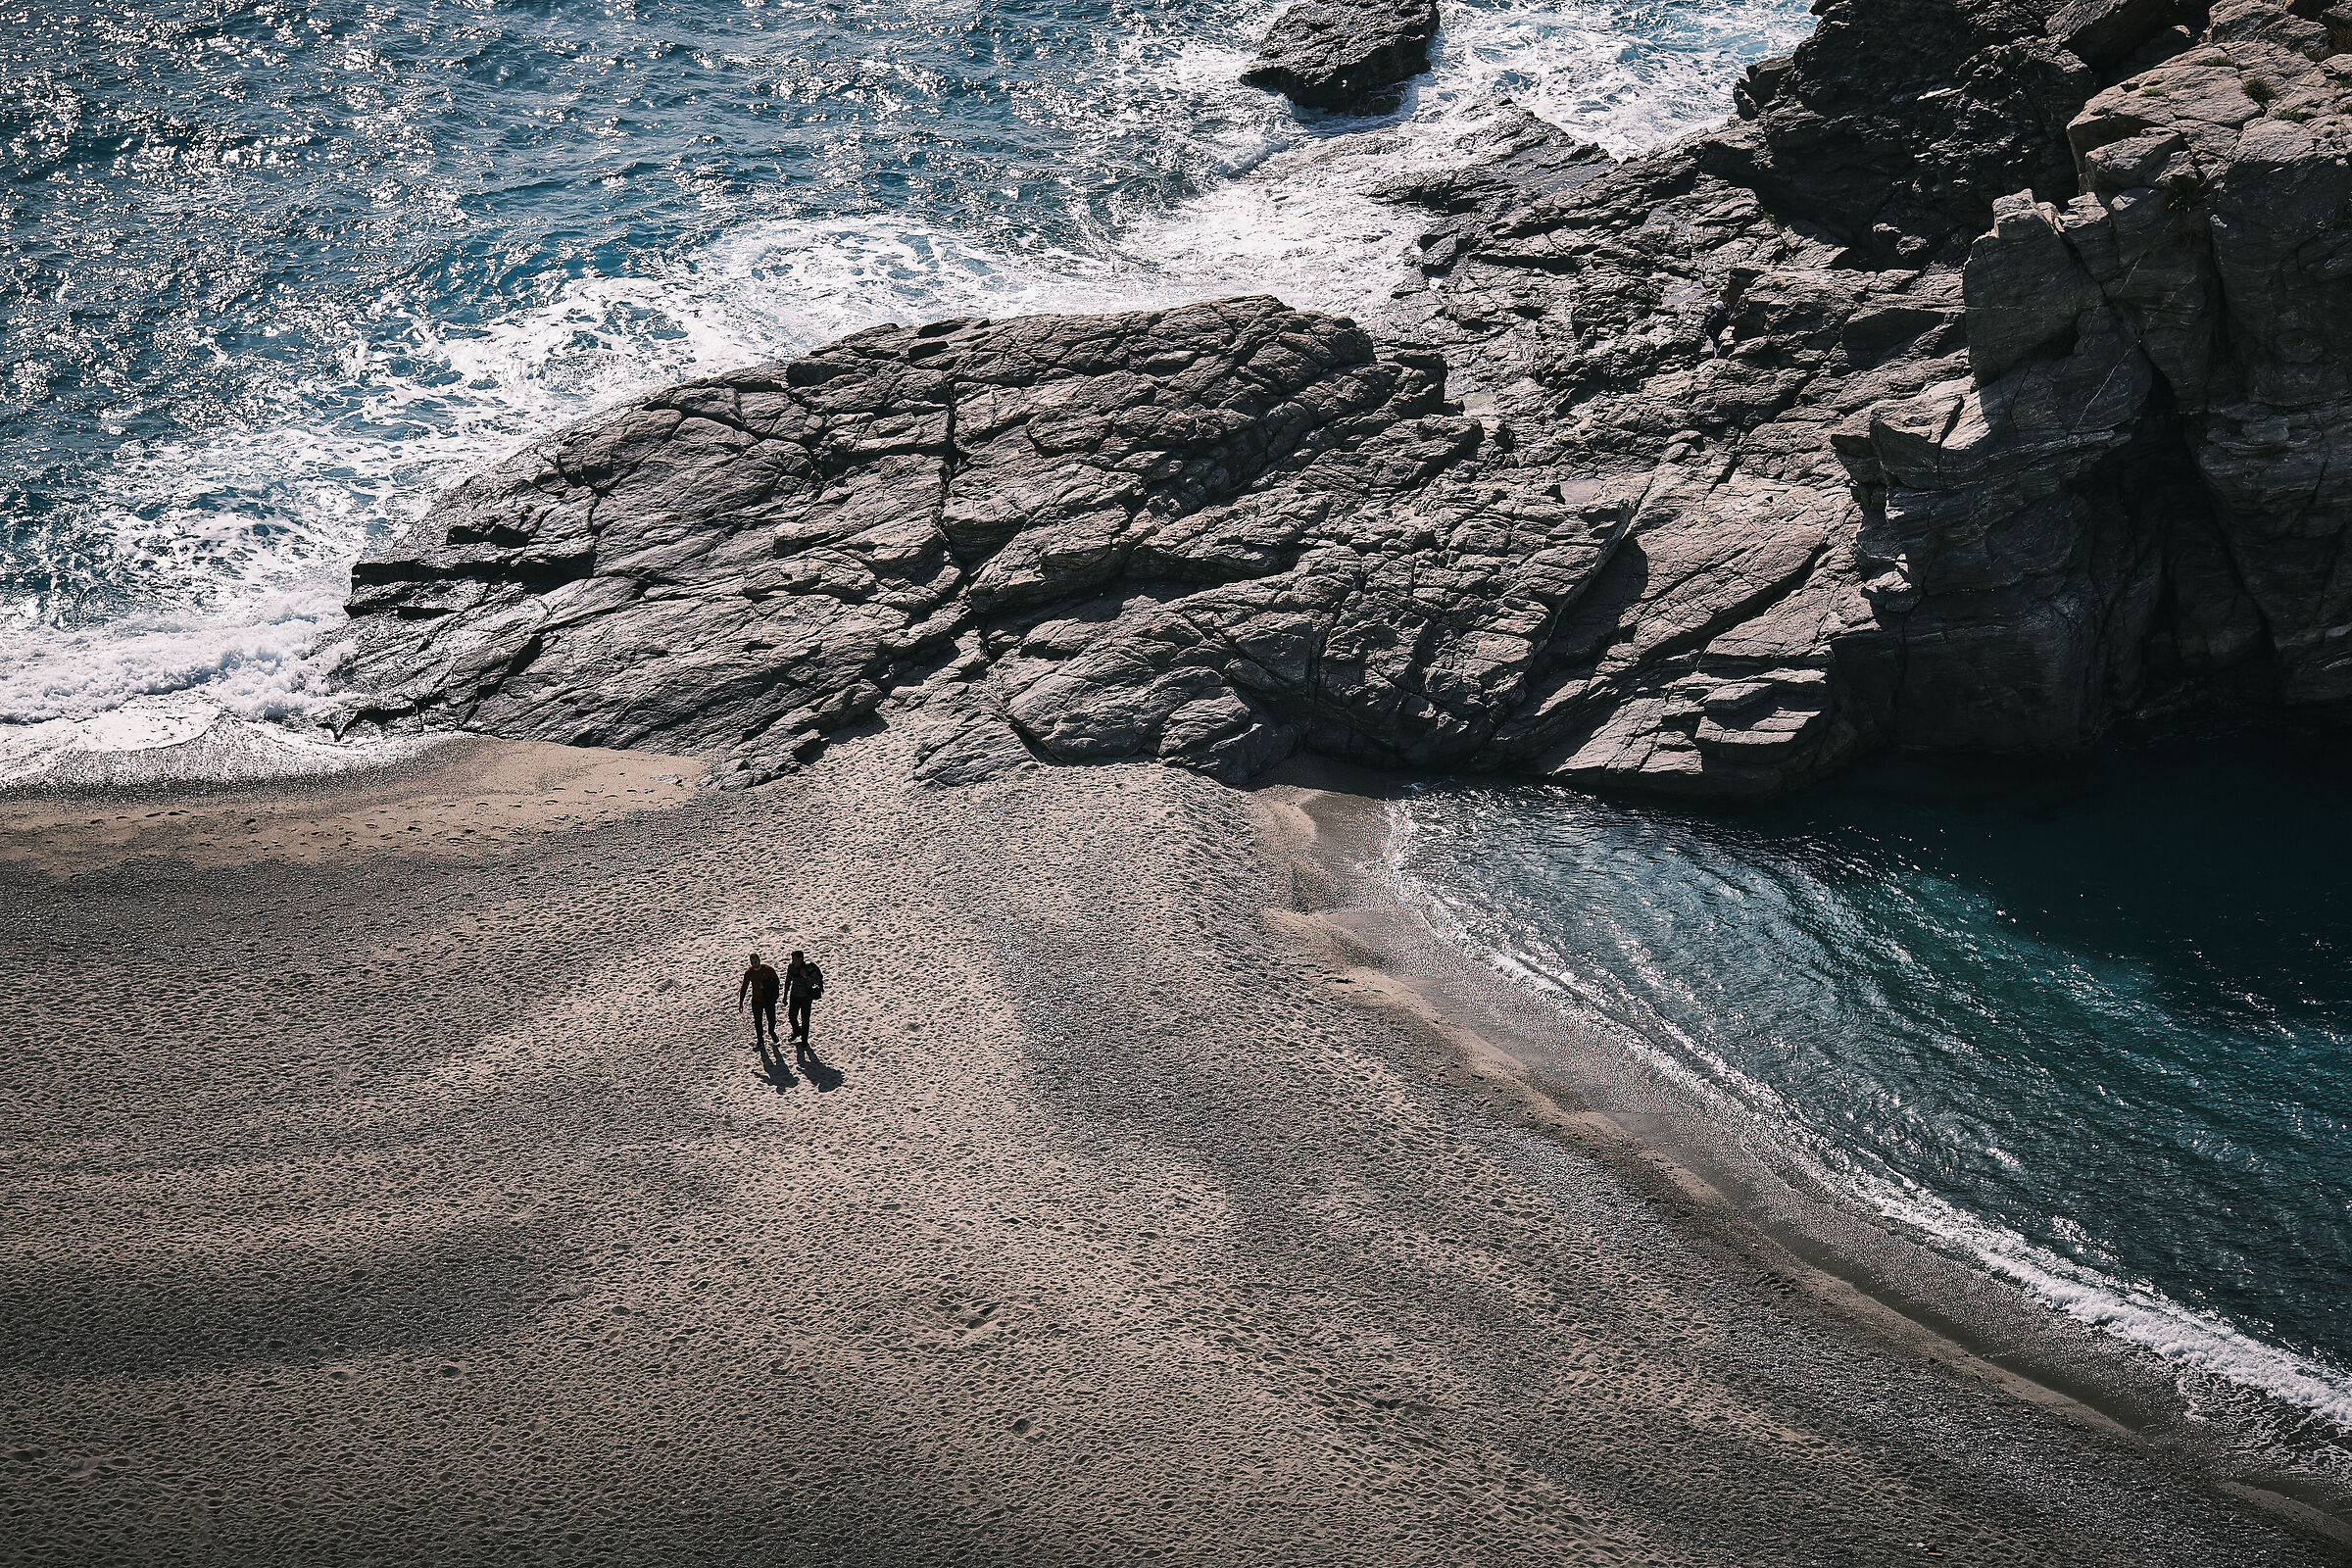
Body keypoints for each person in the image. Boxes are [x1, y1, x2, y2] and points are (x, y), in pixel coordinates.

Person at [738, 952, 780, 1050]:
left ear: (759, 960)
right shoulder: (749, 973)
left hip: (768, 999)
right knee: (758, 1021)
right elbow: (744, 987)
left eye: (756, 962)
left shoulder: (768, 969)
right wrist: (741, 1003)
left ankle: (771, 1032)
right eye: (752, 963)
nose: (754, 964)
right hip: (757, 1000)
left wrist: (764, 985)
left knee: (772, 1019)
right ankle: (760, 1041)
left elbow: (777, 982)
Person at [784, 949, 822, 1057]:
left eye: (795, 959)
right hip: (794, 996)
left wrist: (806, 977)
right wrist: (785, 995)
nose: (793, 961)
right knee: (792, 1016)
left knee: (805, 1019)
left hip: (806, 997)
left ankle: (804, 1040)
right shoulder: (791, 967)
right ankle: (797, 1031)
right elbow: (788, 981)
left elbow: (817, 981)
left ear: (801, 959)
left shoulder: (809, 968)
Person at [1701, 282, 1735, 357]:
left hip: (1718, 334)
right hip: (1722, 333)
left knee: (1717, 348)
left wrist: (1711, 335)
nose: (1724, 297)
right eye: (1723, 295)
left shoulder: (1714, 317)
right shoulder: (1727, 315)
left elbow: (1708, 329)